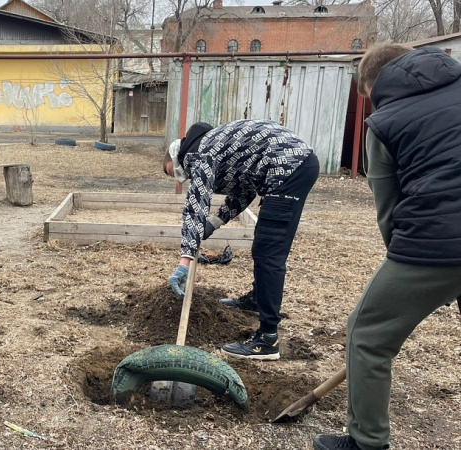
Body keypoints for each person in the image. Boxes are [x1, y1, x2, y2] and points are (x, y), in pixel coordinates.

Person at [313, 44, 461, 450]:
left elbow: (389, 211)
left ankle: (366, 442)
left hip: (438, 237)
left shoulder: (384, 123)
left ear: (374, 82)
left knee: (367, 335)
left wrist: (423, 273)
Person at [164, 119, 319, 360]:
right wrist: (214, 223)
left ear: (179, 158)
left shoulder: (199, 153)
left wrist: (184, 262)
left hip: (288, 168)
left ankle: (268, 340)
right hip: (293, 166)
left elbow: (196, 207)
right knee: (264, 246)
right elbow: (245, 191)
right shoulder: (218, 146)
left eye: (177, 174)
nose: (184, 179)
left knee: (268, 251)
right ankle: (257, 301)